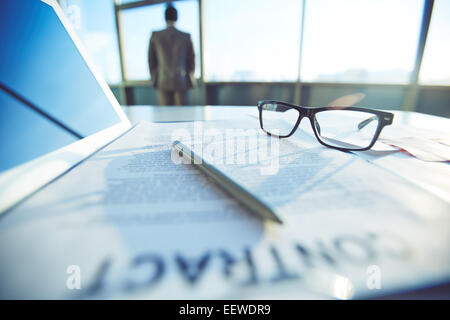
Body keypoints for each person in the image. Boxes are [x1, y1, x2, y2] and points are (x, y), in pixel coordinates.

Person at [148, 5, 195, 106]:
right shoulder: (186, 36)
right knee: (183, 116)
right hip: (182, 80)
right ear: (177, 17)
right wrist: (190, 75)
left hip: (163, 80)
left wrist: (155, 77)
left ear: (164, 17)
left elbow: (151, 60)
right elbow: (192, 60)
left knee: (166, 116)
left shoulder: (155, 36)